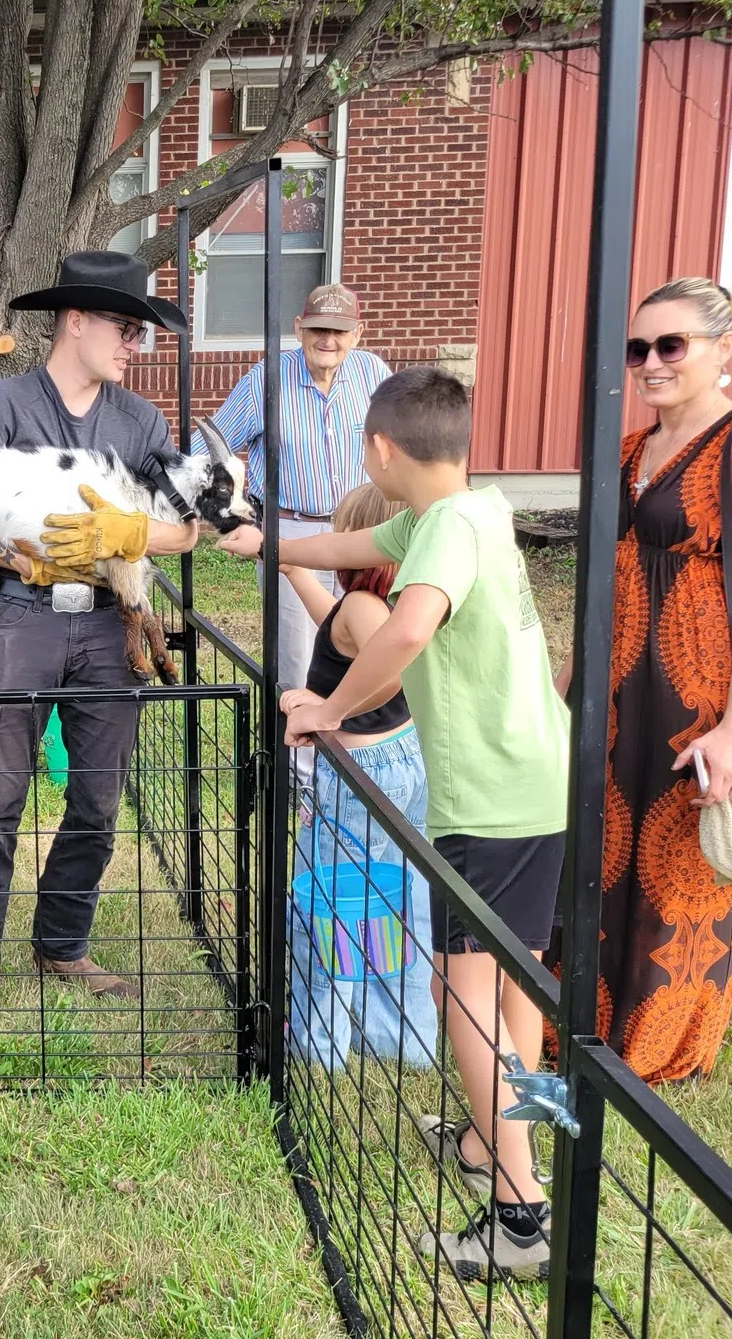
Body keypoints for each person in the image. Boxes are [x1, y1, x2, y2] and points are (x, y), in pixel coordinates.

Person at [221, 366, 569, 1282]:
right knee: (517, 984)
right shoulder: (465, 510)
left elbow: (408, 630)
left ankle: (520, 1216)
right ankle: (501, 1142)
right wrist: (263, 541)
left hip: (487, 797)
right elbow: (344, 546)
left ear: (380, 447)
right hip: (539, 780)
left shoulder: (442, 529)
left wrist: (329, 709)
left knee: (464, 994)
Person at [0, 250, 204, 1026]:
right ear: (76, 321)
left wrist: (129, 532)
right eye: (124, 326)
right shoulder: (7, 405)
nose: (134, 344)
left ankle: (62, 944)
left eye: (140, 332)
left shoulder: (140, 422)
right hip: (22, 618)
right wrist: (12, 556)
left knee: (98, 799)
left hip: (111, 627)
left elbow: (187, 529)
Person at [581, 277, 732, 1084]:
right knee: (606, 850)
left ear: (724, 349)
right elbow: (607, 576)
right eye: (638, 348)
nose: (651, 363)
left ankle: (661, 1044)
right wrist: (567, 684)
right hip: (620, 689)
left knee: (680, 871)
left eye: (671, 345)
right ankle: (587, 1019)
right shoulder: (632, 449)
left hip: (702, 697)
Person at [285, 481, 438, 1073]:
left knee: (330, 899)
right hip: (403, 759)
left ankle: (319, 1044)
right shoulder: (385, 605)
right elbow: (340, 633)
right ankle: (399, 1037)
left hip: (359, 772)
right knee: (398, 897)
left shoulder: (363, 608)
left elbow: (389, 672)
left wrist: (328, 709)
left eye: (343, 534)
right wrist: (292, 568)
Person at [193, 282, 391, 692]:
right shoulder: (265, 380)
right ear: (299, 328)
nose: (328, 340)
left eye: (339, 331)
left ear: (358, 333)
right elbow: (204, 455)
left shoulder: (373, 373)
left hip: (363, 532)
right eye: (319, 329)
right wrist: (232, 515)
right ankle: (294, 737)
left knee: (368, 651)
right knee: (298, 662)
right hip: (290, 531)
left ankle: (350, 732)